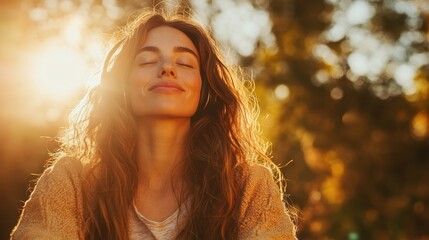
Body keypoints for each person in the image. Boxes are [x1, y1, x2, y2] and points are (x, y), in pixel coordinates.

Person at [11, 8, 297, 240]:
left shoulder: (247, 186)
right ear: (122, 85)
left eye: (184, 64)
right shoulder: (71, 183)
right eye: (147, 60)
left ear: (205, 90)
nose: (167, 68)